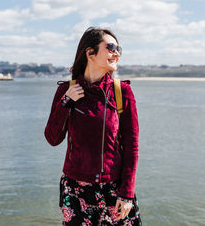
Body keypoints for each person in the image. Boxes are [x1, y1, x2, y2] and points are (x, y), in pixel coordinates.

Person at [44, 27, 141, 225]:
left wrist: (127, 194)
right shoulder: (66, 90)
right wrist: (66, 103)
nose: (117, 53)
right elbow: (52, 138)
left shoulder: (122, 92)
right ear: (90, 52)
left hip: (115, 190)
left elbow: (132, 146)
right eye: (111, 47)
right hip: (75, 190)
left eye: (118, 49)